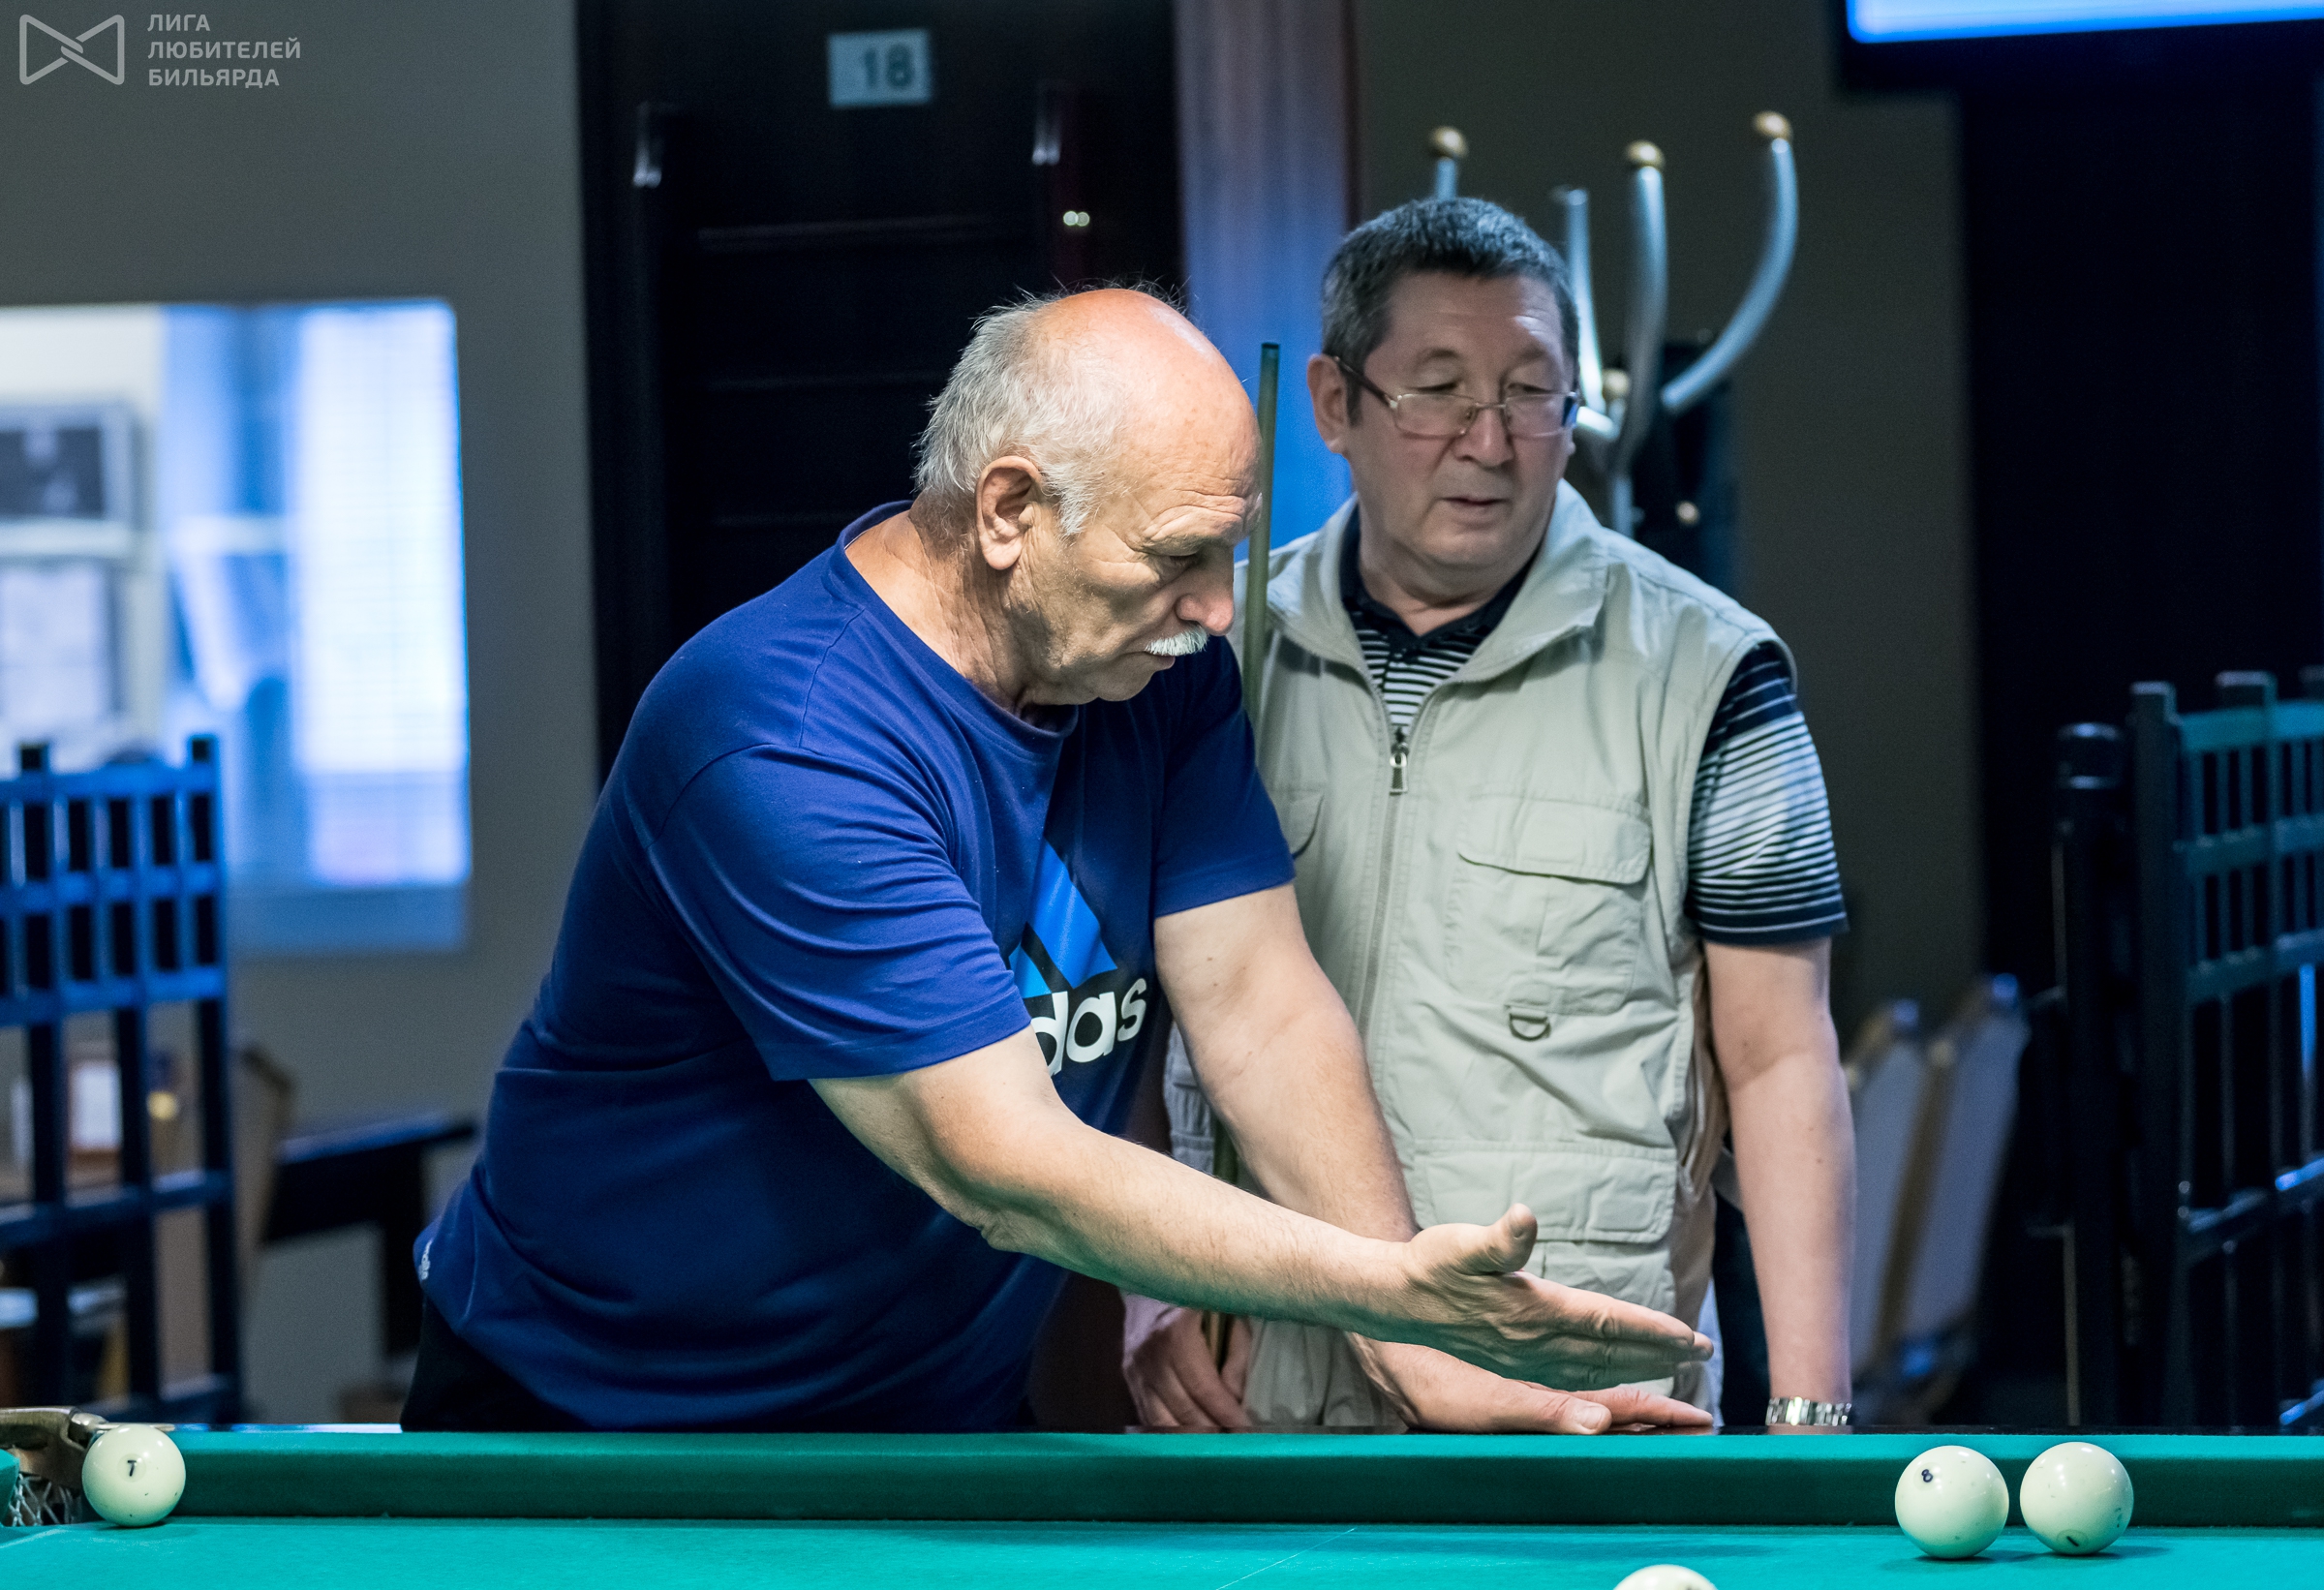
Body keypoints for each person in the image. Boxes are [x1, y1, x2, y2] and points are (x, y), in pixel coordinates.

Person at [405, 287, 1713, 1436]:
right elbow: (1004, 1165)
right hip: (601, 1415)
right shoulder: (778, 734)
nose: (1218, 610)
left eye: (1231, 554)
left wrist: (1418, 1346)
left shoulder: (1154, 671)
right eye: (1179, 557)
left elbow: (1258, 1007)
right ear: (1011, 511)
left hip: (925, 1417)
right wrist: (1391, 1292)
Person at [1123, 201, 1854, 1431]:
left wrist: (1812, 1411)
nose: (1491, 441)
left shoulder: (1712, 673)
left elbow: (1782, 1058)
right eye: (1438, 392)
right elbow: (1125, 1006)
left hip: (1582, 1393)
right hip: (1257, 1404)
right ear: (1335, 404)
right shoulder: (1205, 655)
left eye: (1530, 393)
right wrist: (1144, 1287)